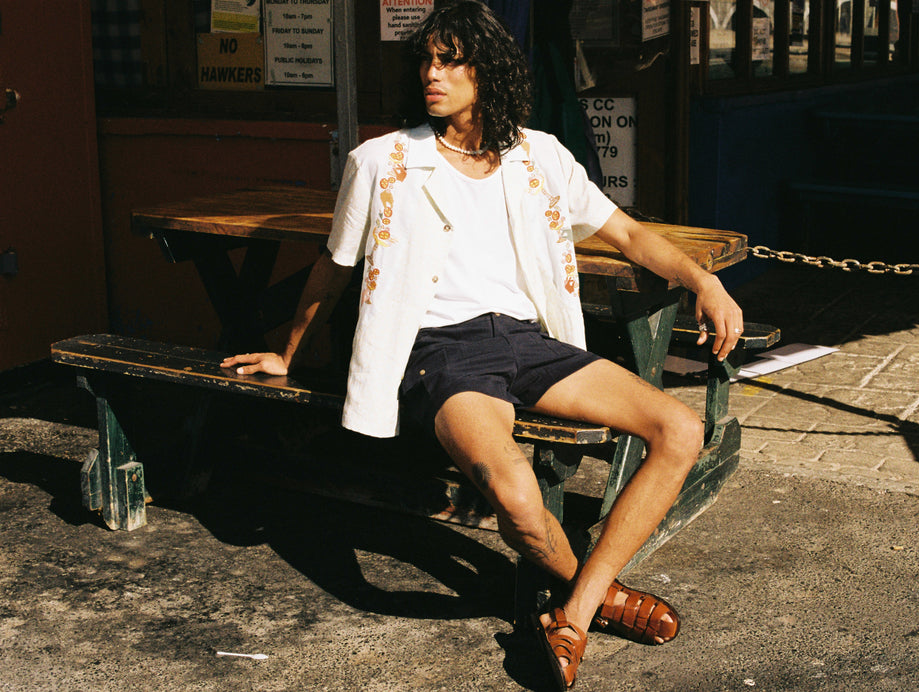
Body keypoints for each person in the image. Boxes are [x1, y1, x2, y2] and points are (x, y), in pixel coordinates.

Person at [222, 2, 744, 688]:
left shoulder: (542, 157)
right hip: (440, 353)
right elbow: (335, 263)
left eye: (451, 59)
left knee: (679, 428)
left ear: (488, 70)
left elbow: (632, 236)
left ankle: (575, 615)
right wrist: (288, 352)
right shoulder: (382, 161)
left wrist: (704, 281)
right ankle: (607, 601)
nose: (431, 74)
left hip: (530, 343)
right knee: (518, 500)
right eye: (426, 61)